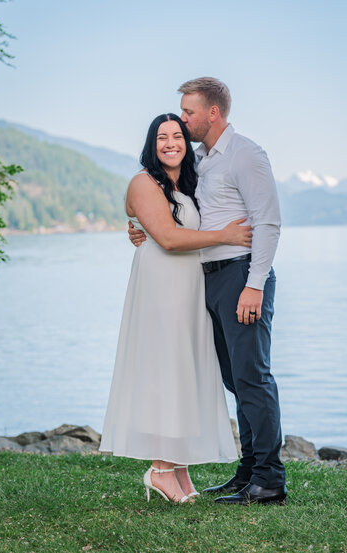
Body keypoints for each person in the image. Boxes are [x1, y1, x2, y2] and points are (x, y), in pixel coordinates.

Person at [129, 78, 287, 505]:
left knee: (253, 376)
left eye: (188, 112)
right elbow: (172, 216)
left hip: (241, 277)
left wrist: (254, 285)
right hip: (208, 280)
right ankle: (249, 472)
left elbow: (268, 223)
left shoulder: (246, 154)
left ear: (212, 113)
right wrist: (140, 228)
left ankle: (269, 481)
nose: (183, 119)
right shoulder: (199, 161)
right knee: (235, 380)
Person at [99, 113, 253, 504]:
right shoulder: (144, 181)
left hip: (189, 286)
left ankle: (178, 467)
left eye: (177, 136)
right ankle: (160, 469)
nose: (171, 143)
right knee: (164, 372)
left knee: (184, 372)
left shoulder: (186, 183)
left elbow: (146, 222)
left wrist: (136, 226)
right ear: (152, 145)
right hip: (162, 288)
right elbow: (167, 237)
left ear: (186, 143)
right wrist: (227, 235)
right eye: (162, 137)